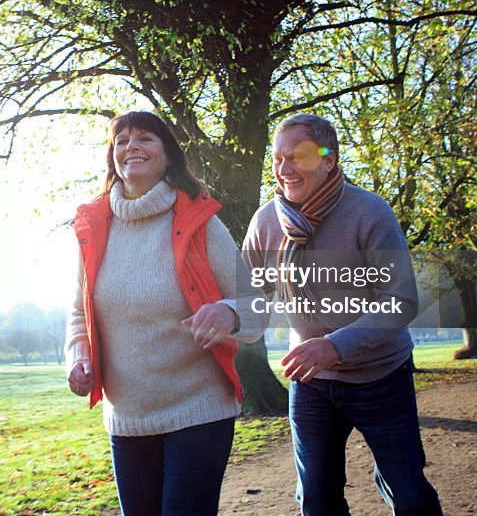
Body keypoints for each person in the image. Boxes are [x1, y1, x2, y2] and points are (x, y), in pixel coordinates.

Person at [65, 110, 265, 516]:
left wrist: (229, 314)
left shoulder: (200, 224)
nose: (131, 147)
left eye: (144, 139)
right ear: (112, 157)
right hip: (128, 417)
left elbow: (256, 307)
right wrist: (77, 357)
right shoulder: (93, 226)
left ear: (168, 155)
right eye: (121, 141)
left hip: (198, 409)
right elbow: (77, 314)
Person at [242, 113, 442, 516]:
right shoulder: (267, 221)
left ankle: (394, 481)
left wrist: (335, 346)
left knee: (409, 493)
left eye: (297, 156)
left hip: (380, 376)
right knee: (316, 497)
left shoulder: (370, 212)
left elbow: (400, 299)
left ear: (328, 159)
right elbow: (249, 294)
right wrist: (217, 315)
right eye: (278, 159)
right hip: (311, 382)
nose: (284, 169)